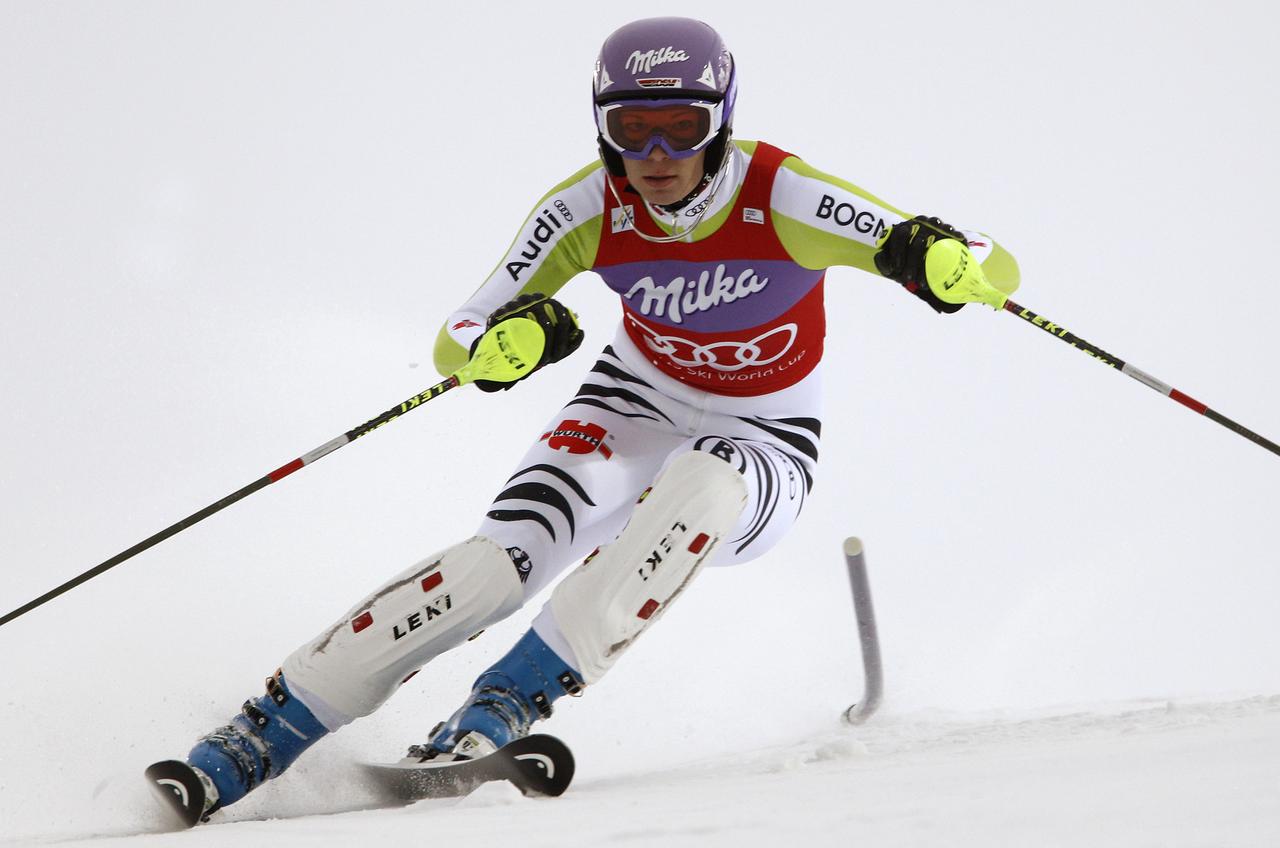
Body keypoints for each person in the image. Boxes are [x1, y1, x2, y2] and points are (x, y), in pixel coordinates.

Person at [148, 16, 1019, 823]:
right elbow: (458, 338)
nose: (655, 152)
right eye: (628, 127)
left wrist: (941, 258)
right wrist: (511, 340)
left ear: (720, 120)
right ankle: (260, 734)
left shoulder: (782, 193)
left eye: (681, 124)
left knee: (704, 485)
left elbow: (992, 264)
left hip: (764, 432)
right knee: (495, 568)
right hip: (630, 402)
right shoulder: (587, 209)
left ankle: (503, 704)